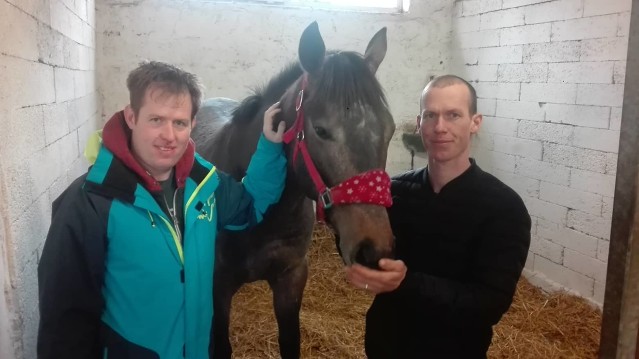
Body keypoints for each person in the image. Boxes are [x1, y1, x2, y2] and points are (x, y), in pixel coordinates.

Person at [37, 61, 287, 359]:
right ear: (131, 117)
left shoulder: (205, 185)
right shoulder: (89, 202)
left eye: (179, 123)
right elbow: (64, 323)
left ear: (193, 124)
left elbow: (251, 204)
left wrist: (270, 146)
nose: (169, 135)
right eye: (156, 120)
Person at [346, 75, 531, 358]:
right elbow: (369, 256)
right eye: (430, 115)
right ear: (419, 124)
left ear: (475, 122)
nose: (439, 127)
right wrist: (346, 212)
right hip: (384, 345)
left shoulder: (504, 207)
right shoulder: (394, 191)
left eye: (453, 115)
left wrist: (406, 283)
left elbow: (489, 304)